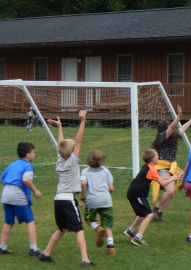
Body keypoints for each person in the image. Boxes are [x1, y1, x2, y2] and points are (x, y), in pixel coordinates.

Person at [39, 110, 96, 268]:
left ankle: (46, 253)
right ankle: (85, 260)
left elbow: (61, 144)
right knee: (79, 229)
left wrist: (60, 127)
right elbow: (78, 141)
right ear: (72, 153)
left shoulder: (60, 160)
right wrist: (82, 121)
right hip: (68, 199)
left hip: (58, 199)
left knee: (62, 228)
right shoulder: (72, 161)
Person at [151, 105, 191, 222]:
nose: (171, 126)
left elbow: (181, 129)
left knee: (170, 193)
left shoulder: (173, 136)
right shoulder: (163, 136)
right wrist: (178, 117)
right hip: (162, 168)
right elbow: (172, 128)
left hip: (170, 168)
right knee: (170, 191)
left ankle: (159, 214)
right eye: (168, 124)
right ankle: (155, 210)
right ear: (164, 128)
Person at [124, 149, 180, 246]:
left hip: (135, 193)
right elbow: (162, 183)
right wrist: (173, 179)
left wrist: (172, 177)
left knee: (143, 214)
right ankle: (138, 237)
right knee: (149, 214)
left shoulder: (149, 168)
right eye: (157, 155)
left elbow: (159, 178)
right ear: (153, 159)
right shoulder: (151, 169)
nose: (159, 157)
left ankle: (130, 230)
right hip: (137, 194)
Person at [0, 142, 42, 256]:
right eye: (33, 152)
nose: (34, 154)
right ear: (28, 154)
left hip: (6, 194)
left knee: (8, 221)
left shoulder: (12, 164)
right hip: (17, 194)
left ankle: (2, 247)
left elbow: (2, 178)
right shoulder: (28, 166)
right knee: (29, 220)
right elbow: (26, 180)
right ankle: (33, 249)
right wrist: (35, 191)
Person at [79, 149, 116, 255]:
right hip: (106, 200)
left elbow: (83, 184)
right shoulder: (106, 171)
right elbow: (112, 188)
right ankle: (111, 247)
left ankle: (97, 228)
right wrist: (106, 194)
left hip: (92, 200)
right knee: (107, 224)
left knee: (88, 220)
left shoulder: (85, 171)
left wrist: (82, 198)